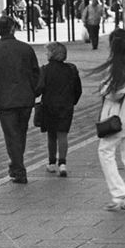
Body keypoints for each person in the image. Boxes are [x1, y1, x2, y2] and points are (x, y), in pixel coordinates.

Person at [0, 15, 40, 184]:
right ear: (13, 28)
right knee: (20, 133)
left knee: (11, 135)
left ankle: (18, 168)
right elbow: (36, 73)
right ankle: (16, 166)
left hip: (5, 101)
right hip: (25, 99)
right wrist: (33, 92)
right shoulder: (26, 49)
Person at [93, 29, 125, 210]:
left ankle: (119, 194)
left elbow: (116, 93)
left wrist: (103, 89)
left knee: (105, 151)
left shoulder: (118, 65)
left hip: (120, 115)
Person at [35, 42, 82, 177]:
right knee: (63, 134)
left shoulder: (45, 69)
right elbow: (78, 89)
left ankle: (51, 163)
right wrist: (72, 102)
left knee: (51, 135)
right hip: (66, 107)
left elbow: (39, 89)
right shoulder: (71, 69)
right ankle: (62, 164)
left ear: (52, 54)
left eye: (47, 51)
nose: (46, 53)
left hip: (49, 106)